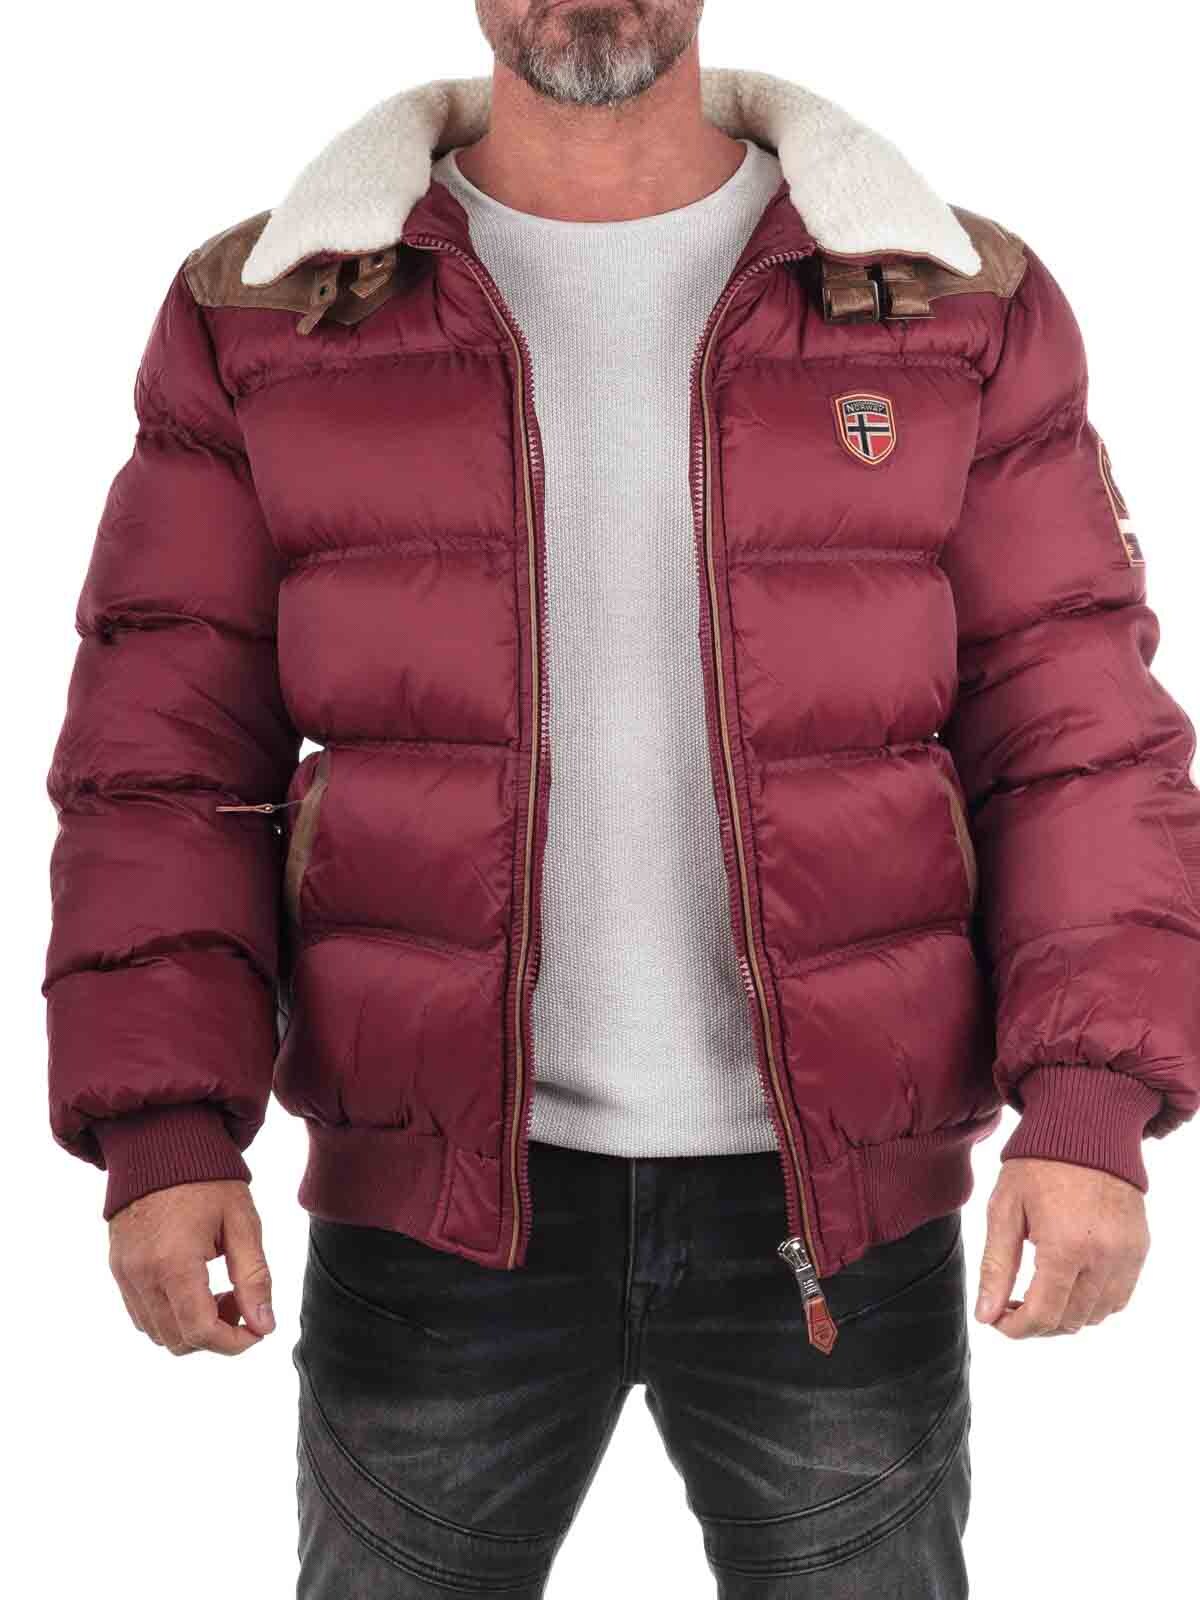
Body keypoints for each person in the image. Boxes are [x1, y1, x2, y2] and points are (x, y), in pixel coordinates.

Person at [44, 3, 1200, 1595]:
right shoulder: (269, 312)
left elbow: (1077, 737)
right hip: (434, 1206)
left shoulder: (942, 299)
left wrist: (1089, 1106)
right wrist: (166, 1128)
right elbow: (165, 757)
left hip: (835, 1211)